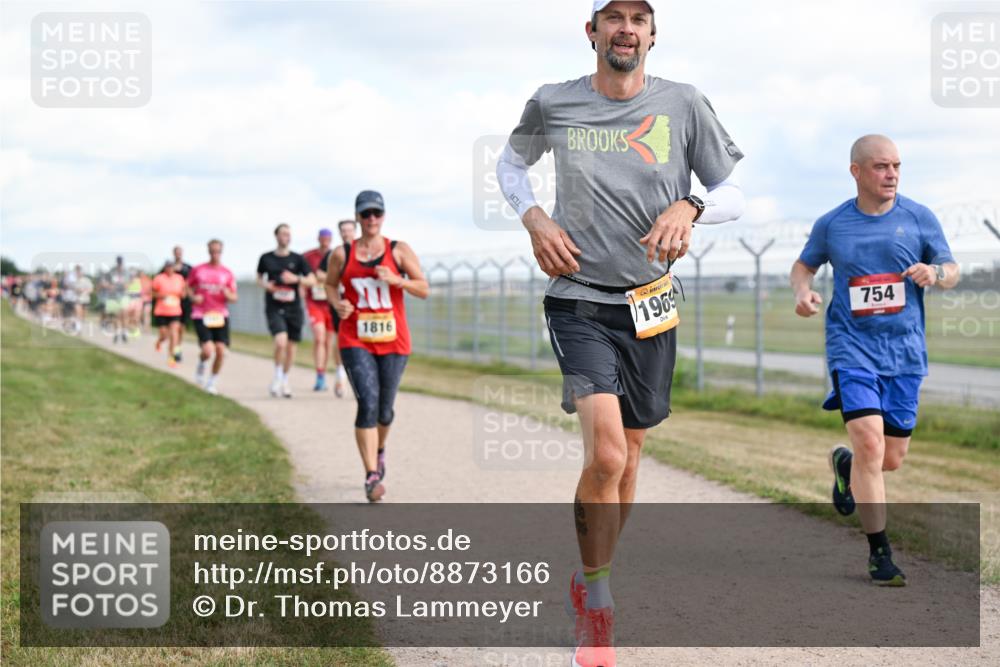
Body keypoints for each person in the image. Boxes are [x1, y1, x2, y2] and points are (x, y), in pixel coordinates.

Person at [497, 2, 745, 664]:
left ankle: (590, 570)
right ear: (593, 32)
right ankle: (599, 606)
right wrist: (536, 220)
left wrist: (690, 204)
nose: (626, 28)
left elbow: (736, 191)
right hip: (578, 300)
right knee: (606, 455)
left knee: (630, 456)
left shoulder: (684, 105)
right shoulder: (554, 102)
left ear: (653, 35)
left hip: (651, 305)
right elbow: (510, 167)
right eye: (613, 17)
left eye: (639, 17)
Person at [791, 134, 960, 587]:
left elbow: (951, 269)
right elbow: (803, 266)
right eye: (882, 166)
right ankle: (879, 553)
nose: (891, 175)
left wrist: (935, 272)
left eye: (897, 166)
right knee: (870, 443)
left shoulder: (919, 218)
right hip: (851, 348)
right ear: (857, 172)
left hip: (904, 352)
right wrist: (802, 293)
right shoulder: (833, 224)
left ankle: (845, 467)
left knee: (890, 458)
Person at [326, 190, 428, 502]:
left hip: (394, 341)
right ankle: (371, 475)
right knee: (367, 404)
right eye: (366, 214)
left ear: (383, 217)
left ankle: (379, 449)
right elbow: (330, 285)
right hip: (355, 339)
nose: (371, 219)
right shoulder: (342, 254)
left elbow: (423, 288)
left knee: (385, 410)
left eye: (376, 214)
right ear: (357, 217)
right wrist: (337, 303)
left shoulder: (398, 250)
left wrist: (398, 281)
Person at [256, 223, 316, 398]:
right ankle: (277, 375)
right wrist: (267, 286)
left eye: (288, 234)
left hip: (293, 307)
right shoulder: (266, 258)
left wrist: (295, 278)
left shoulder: (298, 259)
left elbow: (311, 280)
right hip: (274, 305)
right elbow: (259, 278)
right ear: (276, 236)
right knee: (280, 342)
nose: (286, 237)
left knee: (291, 347)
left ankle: (285, 379)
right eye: (282, 234)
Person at [188, 239, 238, 395]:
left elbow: (234, 297)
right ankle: (202, 363)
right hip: (201, 314)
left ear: (221, 252)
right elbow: (187, 287)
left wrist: (228, 294)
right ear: (208, 251)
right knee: (208, 350)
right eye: (212, 251)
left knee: (221, 350)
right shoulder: (198, 270)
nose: (215, 254)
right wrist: (193, 297)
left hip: (220, 315)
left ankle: (212, 382)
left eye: (218, 251)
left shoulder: (227, 273)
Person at [303, 228, 338, 392]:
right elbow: (303, 275)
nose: (325, 240)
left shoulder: (335, 255)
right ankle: (319, 375)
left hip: (330, 302)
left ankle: (324, 375)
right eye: (322, 237)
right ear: (318, 238)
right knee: (319, 336)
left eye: (328, 238)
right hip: (314, 302)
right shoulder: (308, 256)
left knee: (328, 341)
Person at [151, 260, 187, 368]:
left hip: (175, 310)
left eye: (171, 267)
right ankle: (159, 341)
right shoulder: (159, 278)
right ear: (165, 268)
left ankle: (171, 357)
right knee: (164, 335)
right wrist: (161, 296)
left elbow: (184, 293)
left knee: (174, 333)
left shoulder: (179, 278)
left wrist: (182, 294)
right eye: (167, 267)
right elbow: (152, 293)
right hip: (161, 311)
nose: (169, 269)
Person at [173, 245, 194, 355]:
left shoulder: (188, 267)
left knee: (181, 327)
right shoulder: (169, 267)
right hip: (173, 302)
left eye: (180, 252)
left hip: (185, 301)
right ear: (174, 254)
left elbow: (193, 281)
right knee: (173, 327)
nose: (178, 254)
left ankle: (178, 348)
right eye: (176, 252)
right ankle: (173, 347)